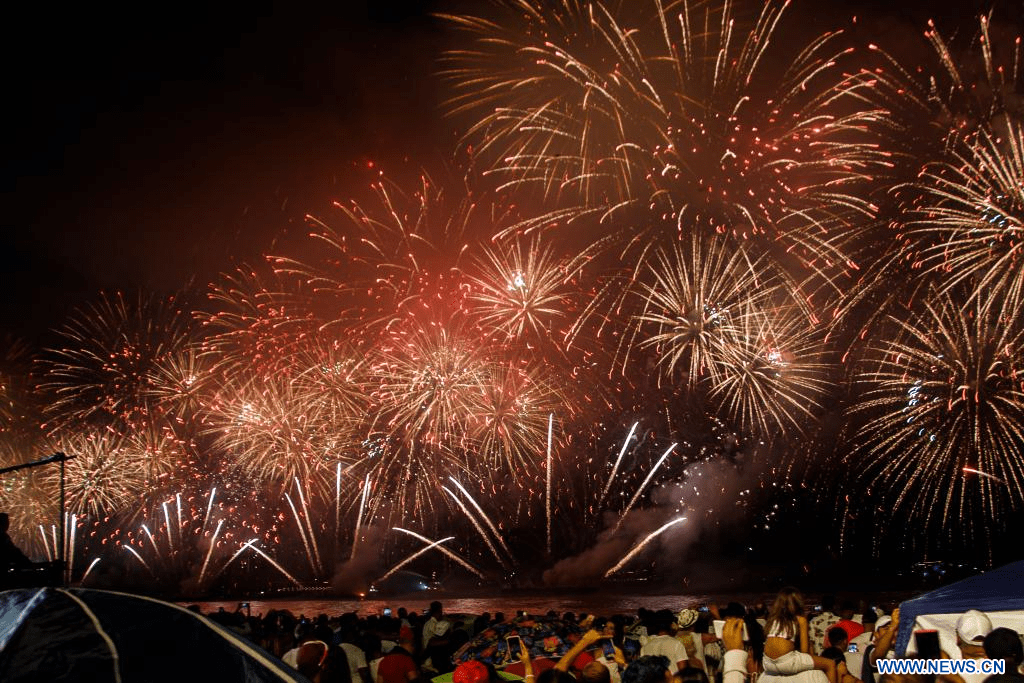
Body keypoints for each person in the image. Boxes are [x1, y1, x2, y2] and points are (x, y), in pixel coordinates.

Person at [762, 587, 838, 683]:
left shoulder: (773, 620)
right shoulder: (800, 619)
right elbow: (804, 651)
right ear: (798, 603)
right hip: (786, 662)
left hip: (767, 662)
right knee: (830, 664)